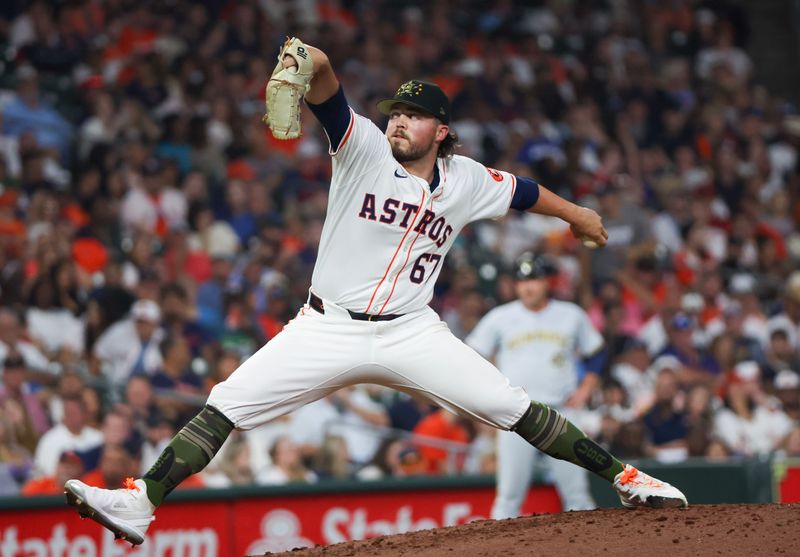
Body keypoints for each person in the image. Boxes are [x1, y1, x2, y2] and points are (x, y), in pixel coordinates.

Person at [64, 37, 686, 546]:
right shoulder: (360, 147)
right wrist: (307, 59)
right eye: (396, 111)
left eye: (412, 115)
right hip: (325, 326)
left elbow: (522, 190)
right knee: (227, 401)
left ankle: (627, 477)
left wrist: (576, 213)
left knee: (512, 406)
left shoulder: (466, 178)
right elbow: (329, 86)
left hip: (410, 330)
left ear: (441, 130)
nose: (398, 120)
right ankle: (142, 502)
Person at [466, 254, 604, 517]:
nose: (528, 286)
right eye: (522, 280)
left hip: (561, 411)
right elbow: (472, 354)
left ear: (546, 283)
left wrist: (586, 388)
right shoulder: (500, 317)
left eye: (534, 280)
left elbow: (597, 353)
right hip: (516, 415)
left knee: (577, 495)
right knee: (508, 496)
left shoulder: (570, 314)